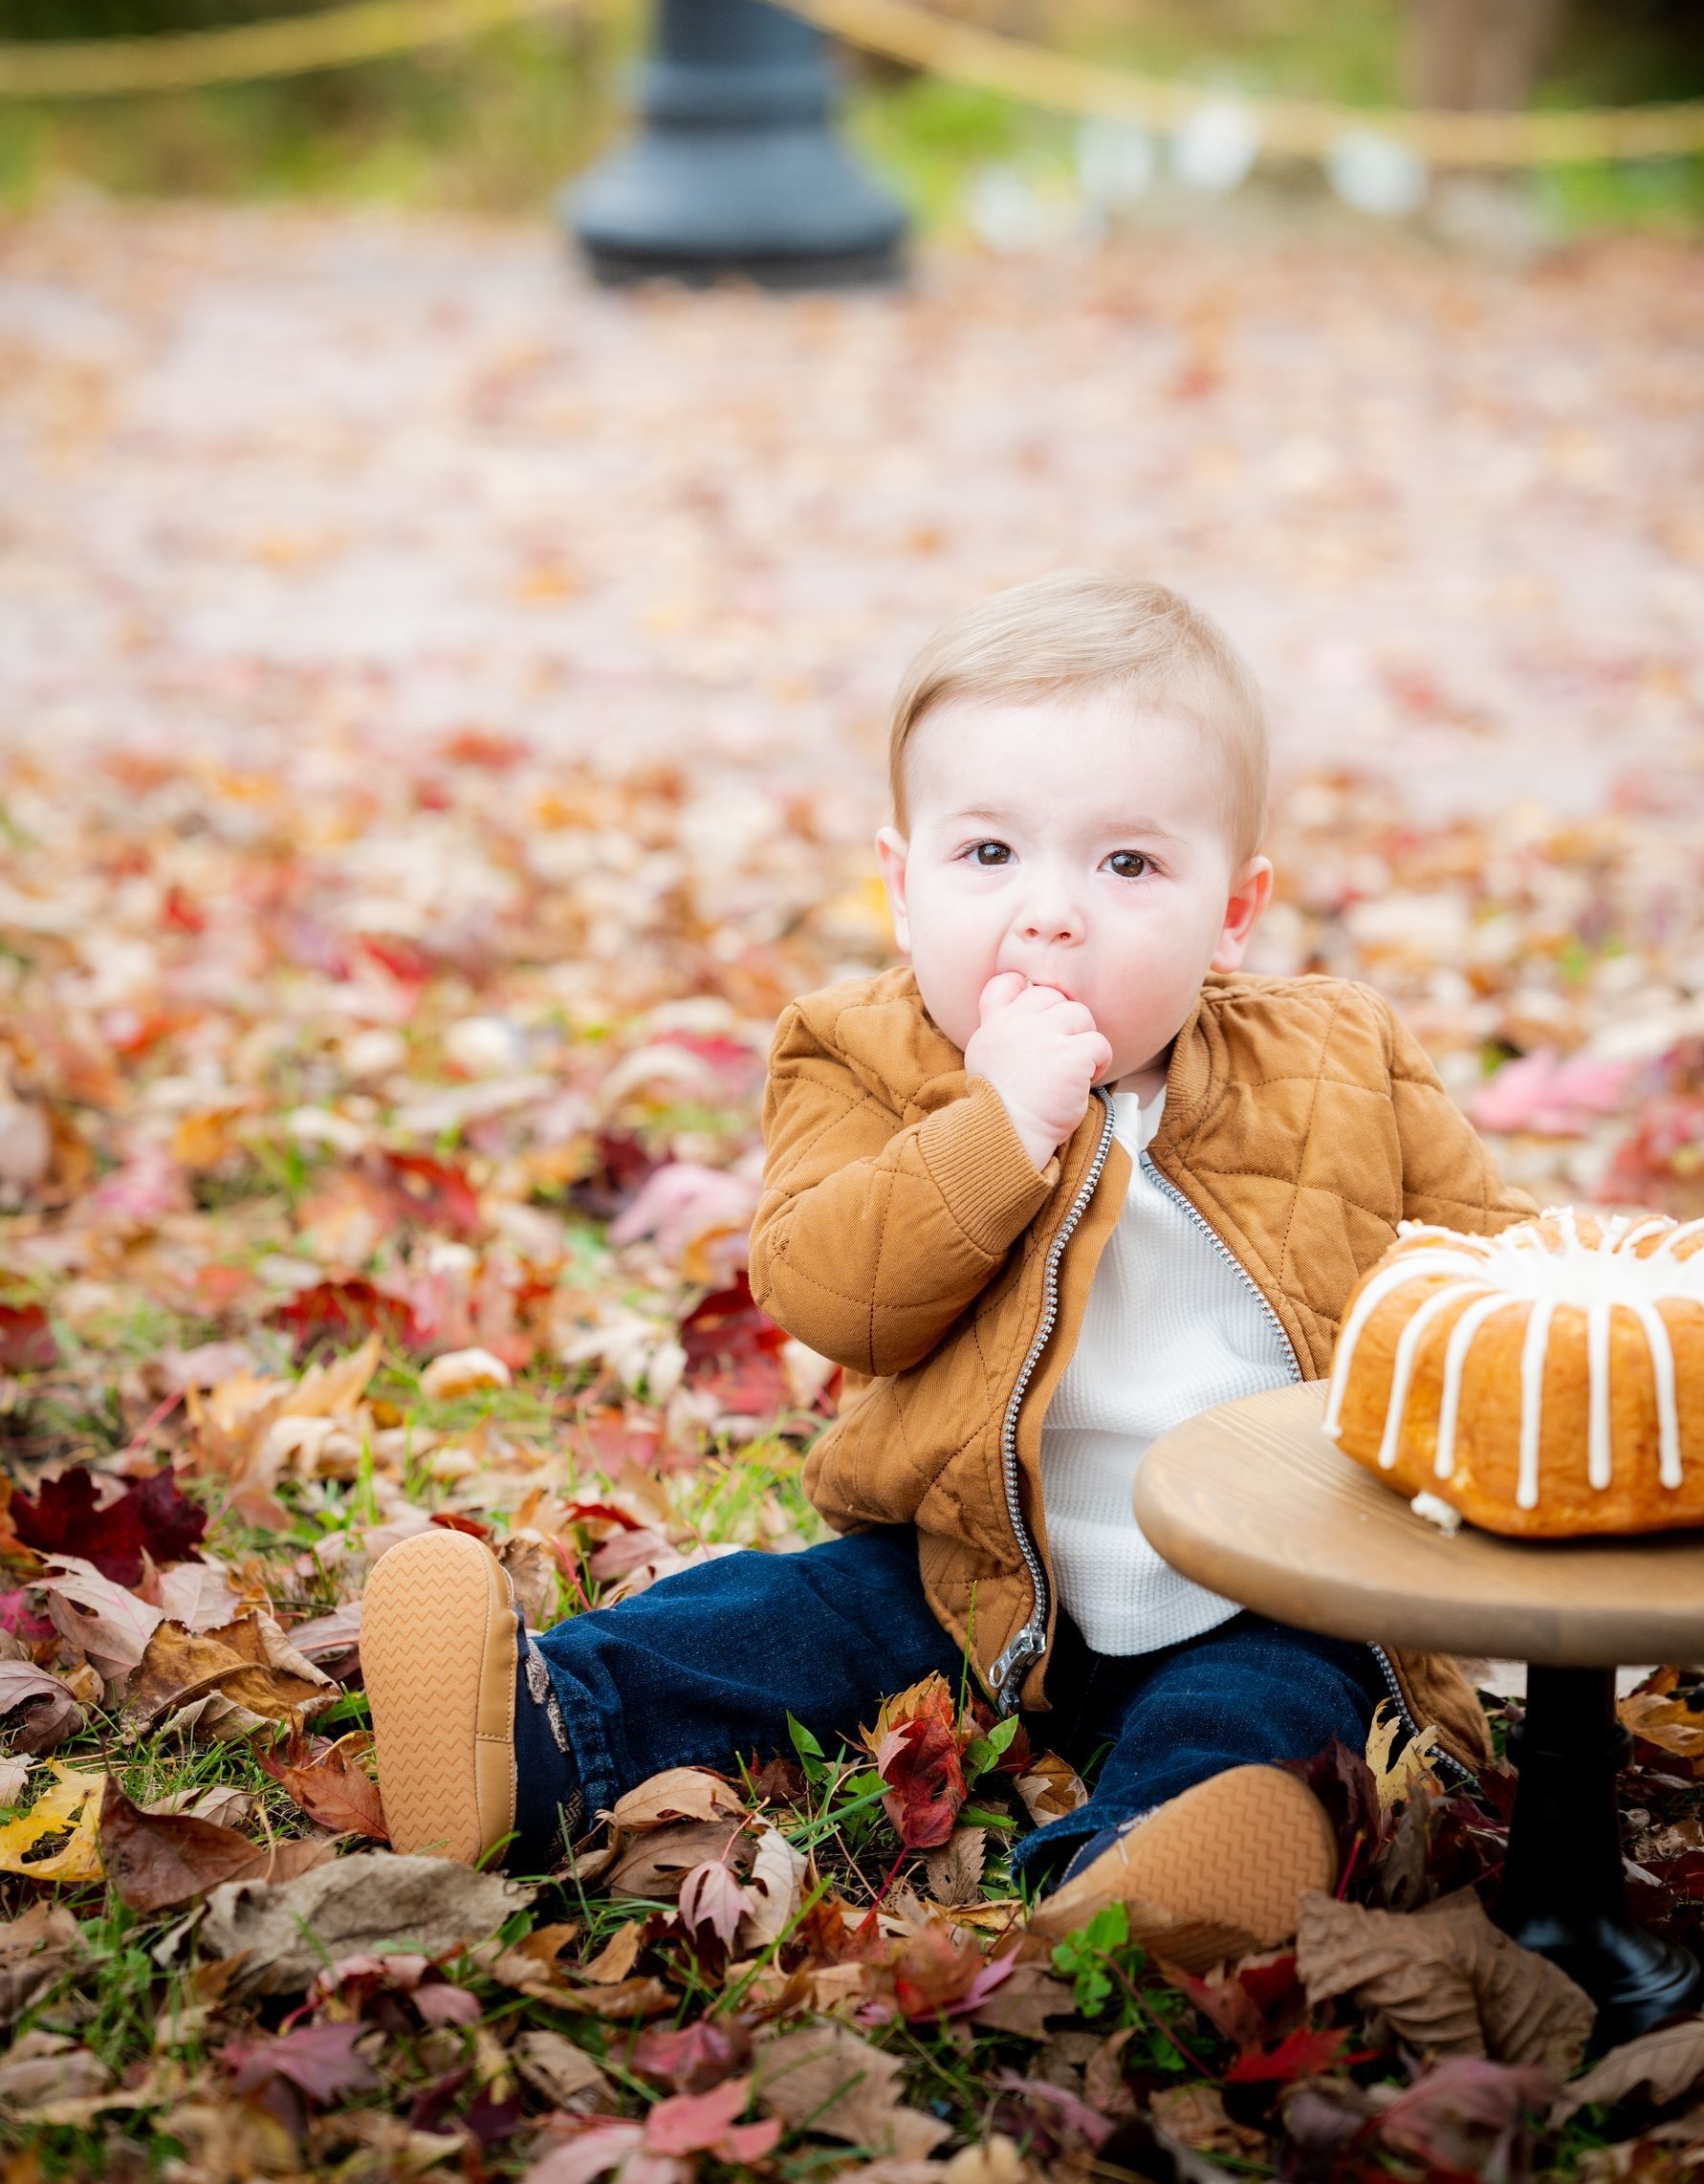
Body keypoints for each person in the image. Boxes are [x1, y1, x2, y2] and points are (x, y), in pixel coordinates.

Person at [362, 571, 1530, 1965]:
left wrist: (1579, 1349)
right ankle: (534, 1731)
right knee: (772, 1622)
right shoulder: (861, 1054)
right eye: (990, 856)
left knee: (1268, 1712)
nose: (1051, 915)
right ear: (903, 885)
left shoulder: (1341, 1060)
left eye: (1129, 865)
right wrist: (999, 1134)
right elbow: (822, 1284)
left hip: (1263, 1584)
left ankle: (1158, 1880)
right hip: (963, 1566)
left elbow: (1493, 1268)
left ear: (1235, 909)